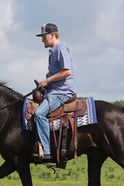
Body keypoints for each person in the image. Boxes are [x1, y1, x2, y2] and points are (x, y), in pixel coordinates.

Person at [34, 23, 77, 160]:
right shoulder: (53, 51)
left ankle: (46, 151)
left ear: (53, 35)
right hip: (54, 90)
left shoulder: (61, 49)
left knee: (39, 114)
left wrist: (47, 81)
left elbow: (67, 71)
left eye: (44, 36)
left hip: (62, 92)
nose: (42, 40)